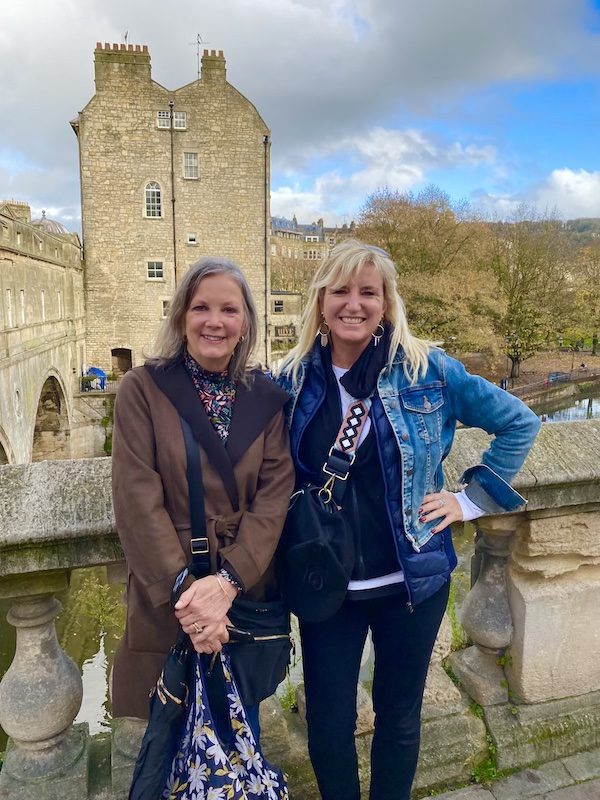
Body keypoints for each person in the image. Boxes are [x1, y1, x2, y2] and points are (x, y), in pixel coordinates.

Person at [277, 239, 540, 800]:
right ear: (320, 302)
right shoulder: (292, 381)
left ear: (387, 303)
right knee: (328, 724)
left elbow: (519, 422)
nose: (354, 303)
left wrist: (470, 501)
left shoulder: (429, 372)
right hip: (328, 585)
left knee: (399, 717)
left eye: (368, 292)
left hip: (411, 581)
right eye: (341, 290)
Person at [111, 256, 295, 741]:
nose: (215, 321)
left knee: (240, 737)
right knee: (167, 744)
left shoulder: (266, 398)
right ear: (181, 317)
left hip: (243, 590)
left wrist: (228, 584)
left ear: (246, 324)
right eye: (201, 308)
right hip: (170, 594)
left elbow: (274, 499)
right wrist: (191, 605)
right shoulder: (143, 390)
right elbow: (136, 499)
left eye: (229, 310)